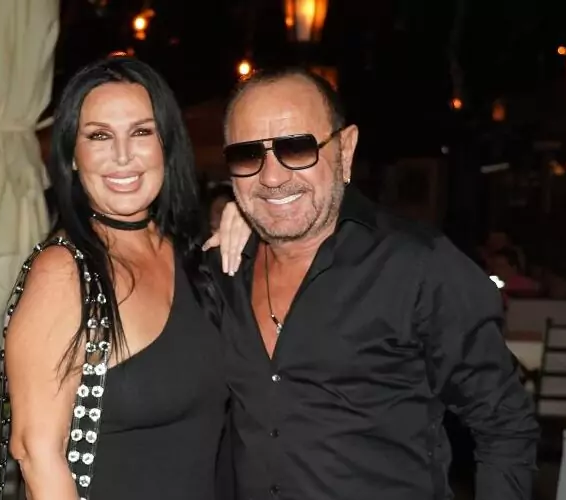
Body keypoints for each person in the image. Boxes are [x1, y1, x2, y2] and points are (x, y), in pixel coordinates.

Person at [211, 67, 539, 500]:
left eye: (297, 148)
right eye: (247, 155)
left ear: (345, 149)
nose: (271, 177)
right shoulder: (220, 274)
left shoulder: (418, 266)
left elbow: (504, 424)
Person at [0, 56, 249, 500]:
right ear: (72, 157)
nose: (122, 155)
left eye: (141, 132)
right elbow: (37, 455)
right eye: (99, 136)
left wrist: (254, 221)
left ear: (166, 145)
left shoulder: (196, 259)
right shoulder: (64, 272)